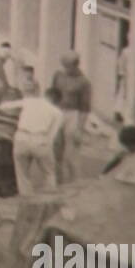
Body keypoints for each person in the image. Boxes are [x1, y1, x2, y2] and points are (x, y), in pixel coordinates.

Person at [0, 88, 65, 195]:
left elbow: (7, 105)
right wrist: (47, 147)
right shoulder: (57, 112)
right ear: (57, 101)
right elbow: (52, 135)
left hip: (22, 137)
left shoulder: (31, 101)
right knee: (49, 172)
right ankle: (49, 198)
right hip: (40, 139)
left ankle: (27, 199)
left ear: (45, 94)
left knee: (22, 174)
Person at [50, 50, 91, 183]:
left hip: (72, 115)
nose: (65, 69)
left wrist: (80, 128)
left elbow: (85, 108)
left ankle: (75, 183)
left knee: (71, 154)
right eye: (64, 66)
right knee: (56, 152)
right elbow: (52, 94)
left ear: (76, 65)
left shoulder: (84, 82)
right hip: (57, 112)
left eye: (68, 66)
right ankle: (58, 182)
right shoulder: (58, 75)